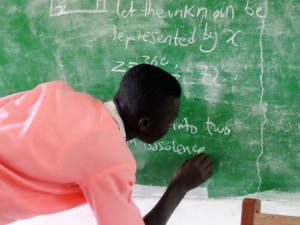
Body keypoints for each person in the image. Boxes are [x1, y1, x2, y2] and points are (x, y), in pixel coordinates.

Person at [0, 64, 213, 225]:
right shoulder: (110, 159)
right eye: (169, 122)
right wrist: (179, 187)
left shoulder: (57, 92)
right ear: (145, 124)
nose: (171, 127)